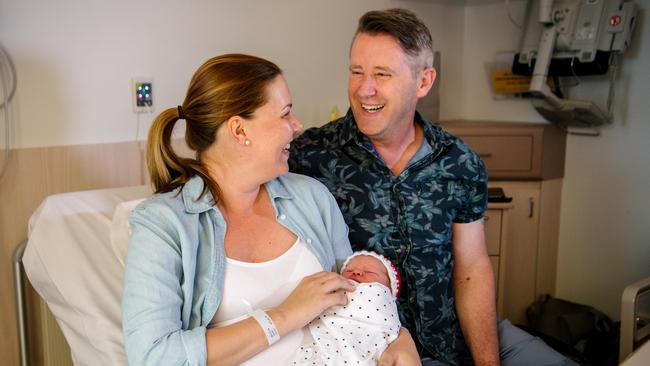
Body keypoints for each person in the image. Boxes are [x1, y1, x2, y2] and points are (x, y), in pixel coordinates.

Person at [289, 8, 575, 366]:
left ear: (423, 82)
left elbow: (472, 269)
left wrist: (487, 362)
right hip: (378, 347)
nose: (364, 89)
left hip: (458, 330)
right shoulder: (309, 157)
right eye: (356, 72)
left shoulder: (459, 162)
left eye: (382, 74)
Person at [121, 54, 419, 366]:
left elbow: (355, 301)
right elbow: (153, 356)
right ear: (239, 130)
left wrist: (398, 339)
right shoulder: (164, 225)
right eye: (285, 114)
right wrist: (285, 315)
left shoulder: (311, 198)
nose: (297, 125)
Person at [293, 251, 402, 365]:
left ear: (390, 288)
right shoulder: (335, 289)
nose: (357, 272)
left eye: (370, 272)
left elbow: (392, 330)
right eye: (349, 270)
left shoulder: (381, 298)